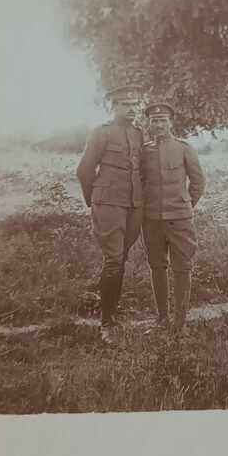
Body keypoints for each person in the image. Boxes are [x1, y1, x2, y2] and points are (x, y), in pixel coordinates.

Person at [76, 84, 144, 339]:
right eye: (126, 104)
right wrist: (92, 200)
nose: (132, 109)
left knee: (121, 258)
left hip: (134, 205)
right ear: (113, 106)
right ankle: (107, 323)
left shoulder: (139, 134)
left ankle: (111, 310)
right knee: (114, 260)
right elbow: (84, 170)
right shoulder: (101, 133)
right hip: (109, 204)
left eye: (135, 104)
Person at [140, 99, 205, 338]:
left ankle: (180, 322)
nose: (158, 124)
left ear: (170, 122)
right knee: (157, 266)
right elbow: (139, 183)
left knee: (182, 268)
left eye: (162, 120)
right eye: (154, 120)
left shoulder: (184, 148)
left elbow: (198, 182)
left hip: (180, 219)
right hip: (152, 219)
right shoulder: (143, 151)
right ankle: (162, 318)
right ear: (149, 123)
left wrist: (185, 205)